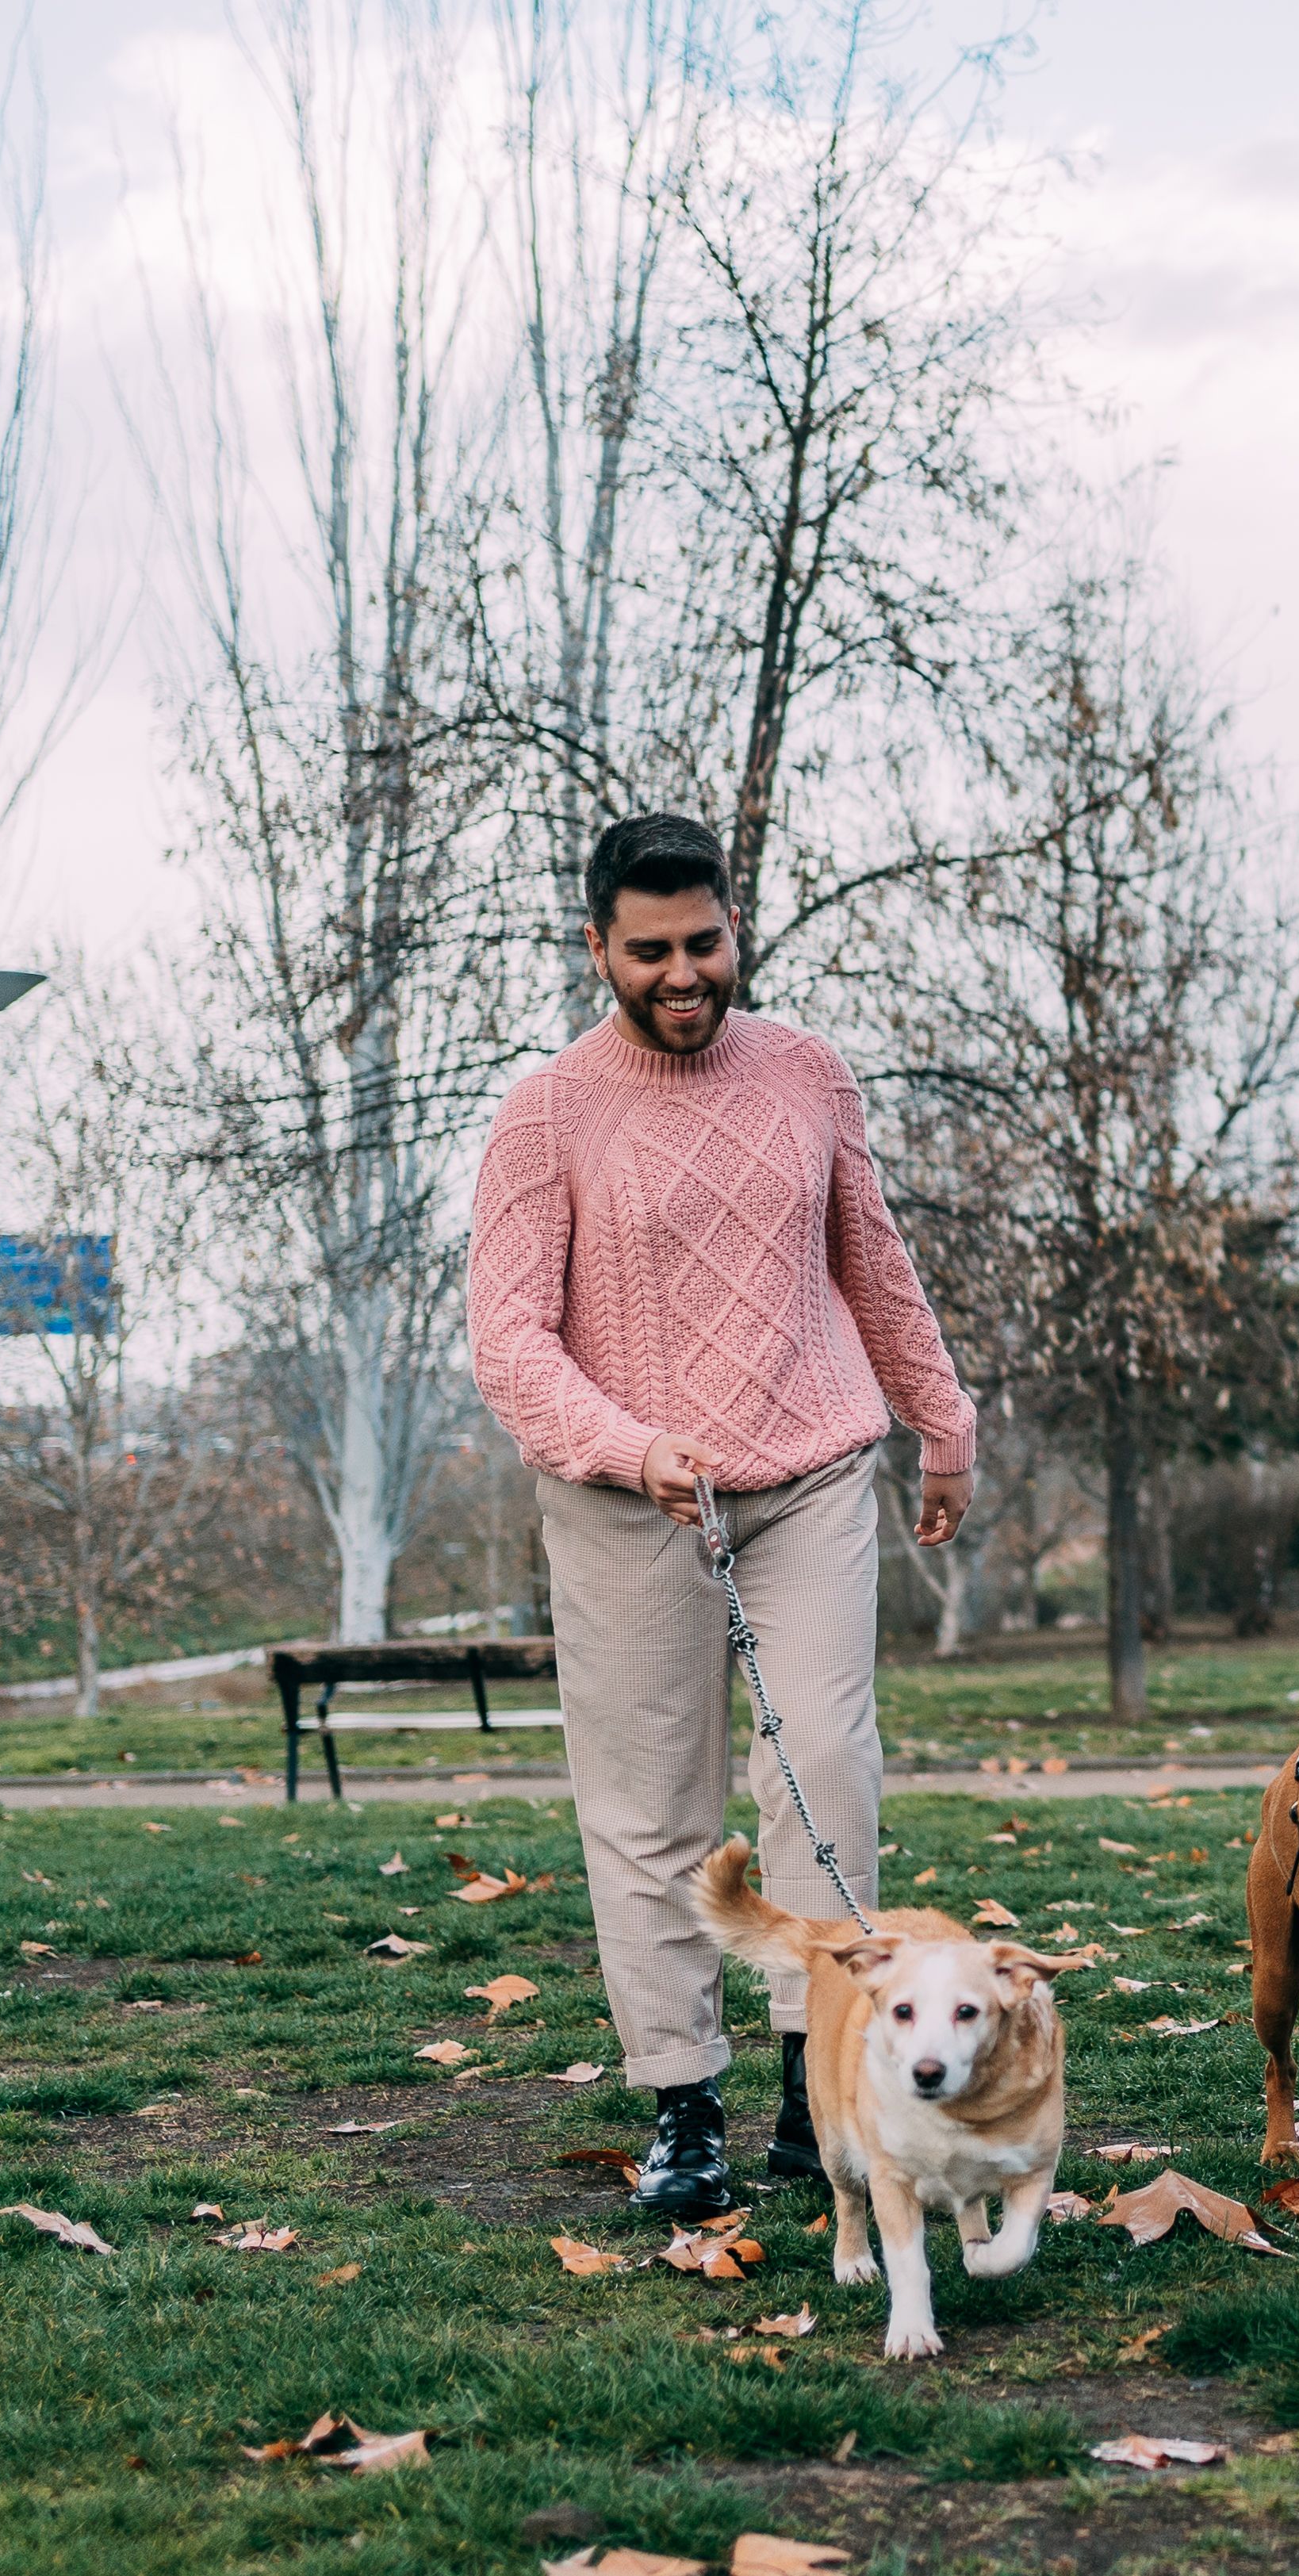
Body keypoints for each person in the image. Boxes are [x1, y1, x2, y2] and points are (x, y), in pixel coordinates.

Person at [470, 812, 981, 2217]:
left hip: (808, 1467)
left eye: (706, 942)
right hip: (624, 1497)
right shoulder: (548, 1112)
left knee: (823, 1769)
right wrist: (628, 1445)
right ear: (598, 948)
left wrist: (944, 1417)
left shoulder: (809, 1073)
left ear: (733, 926)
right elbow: (510, 1342)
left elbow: (870, 1260)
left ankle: (812, 2089)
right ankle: (680, 2102)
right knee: (651, 1806)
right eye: (651, 951)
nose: (684, 973)